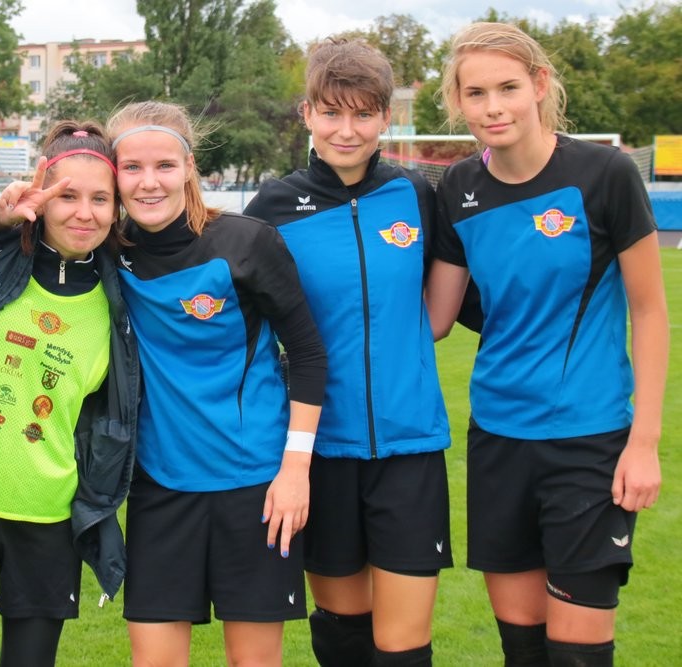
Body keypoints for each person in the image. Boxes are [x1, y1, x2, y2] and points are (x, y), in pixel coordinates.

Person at [425, 21, 667, 667]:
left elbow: (649, 310)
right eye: (476, 93)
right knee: (523, 649)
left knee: (578, 653)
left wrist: (643, 442)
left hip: (588, 441)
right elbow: (435, 318)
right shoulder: (458, 190)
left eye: (507, 87)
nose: (493, 107)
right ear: (458, 101)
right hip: (497, 439)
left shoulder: (604, 173)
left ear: (539, 85)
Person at [244, 38, 452, 667]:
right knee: (342, 635)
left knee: (404, 646)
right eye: (331, 112)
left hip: (410, 448)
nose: (346, 129)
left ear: (386, 117)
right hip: (318, 453)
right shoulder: (272, 208)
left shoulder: (415, 195)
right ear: (307, 113)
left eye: (363, 114)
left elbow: (445, 305)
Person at [105, 100, 327, 667]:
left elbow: (306, 353)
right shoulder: (107, 250)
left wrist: (295, 471)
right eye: (132, 168)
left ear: (189, 167)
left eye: (164, 165)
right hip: (160, 485)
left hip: (255, 485)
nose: (149, 182)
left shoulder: (246, 242)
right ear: (114, 174)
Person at [0, 121, 139, 667]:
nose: (84, 213)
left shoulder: (123, 298)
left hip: (48, 519)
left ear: (116, 210)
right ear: (39, 197)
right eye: (67, 196)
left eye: (100, 199)